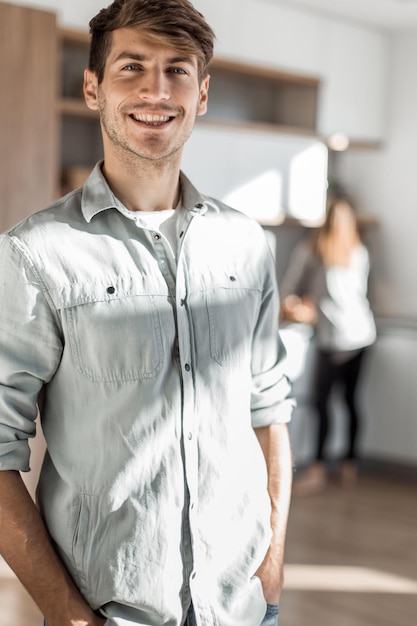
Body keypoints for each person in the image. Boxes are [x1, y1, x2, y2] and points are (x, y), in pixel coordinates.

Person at [0, 2, 295, 625]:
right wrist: (64, 612)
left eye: (178, 70)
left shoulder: (247, 244)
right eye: (132, 66)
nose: (156, 90)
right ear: (92, 87)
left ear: (202, 92)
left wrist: (272, 565)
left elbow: (268, 411)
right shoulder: (35, 253)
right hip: (109, 613)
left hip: (243, 606)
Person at [281, 196, 376, 496]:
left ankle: (319, 469)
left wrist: (302, 307)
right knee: (349, 400)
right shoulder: (358, 251)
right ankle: (350, 464)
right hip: (362, 334)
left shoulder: (313, 250)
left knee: (323, 403)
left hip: (336, 337)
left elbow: (289, 293)